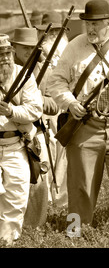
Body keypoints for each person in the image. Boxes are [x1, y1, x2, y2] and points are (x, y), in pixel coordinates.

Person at [48, 0, 109, 235]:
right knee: (80, 184)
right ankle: (76, 234)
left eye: (96, 24)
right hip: (84, 124)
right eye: (88, 24)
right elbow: (56, 81)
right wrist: (70, 103)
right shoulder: (74, 46)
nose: (91, 29)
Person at [10, 27, 59, 228]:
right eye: (25, 49)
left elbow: (55, 105)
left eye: (33, 49)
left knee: (38, 183)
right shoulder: (6, 71)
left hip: (35, 134)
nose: (29, 53)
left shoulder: (43, 72)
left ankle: (36, 227)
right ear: (13, 48)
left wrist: (37, 101)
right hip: (8, 135)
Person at [0, 33, 43, 245]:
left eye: (7, 53)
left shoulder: (23, 75)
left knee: (16, 200)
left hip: (16, 146)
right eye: (0, 54)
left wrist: (11, 112)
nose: (5, 58)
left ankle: (8, 242)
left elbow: (35, 110)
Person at [35, 11, 70, 207]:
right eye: (51, 32)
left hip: (63, 115)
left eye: (59, 31)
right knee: (44, 160)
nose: (55, 36)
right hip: (43, 118)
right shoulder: (37, 59)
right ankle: (45, 202)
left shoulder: (67, 57)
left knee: (63, 160)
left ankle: (61, 201)